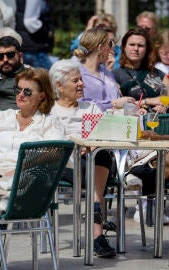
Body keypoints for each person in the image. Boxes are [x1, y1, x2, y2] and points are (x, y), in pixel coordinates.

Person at [0, 68, 66, 269]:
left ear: (42, 95)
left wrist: (22, 168)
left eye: (27, 92)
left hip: (27, 180)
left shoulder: (50, 123)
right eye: (17, 90)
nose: (20, 95)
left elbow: (56, 151)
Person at [49, 59, 116, 258]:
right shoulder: (49, 110)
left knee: (101, 153)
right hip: (63, 164)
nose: (81, 84)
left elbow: (101, 133)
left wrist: (93, 143)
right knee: (93, 162)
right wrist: (75, 145)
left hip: (91, 161)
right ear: (59, 86)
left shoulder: (90, 108)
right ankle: (97, 234)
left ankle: (96, 227)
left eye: (81, 79)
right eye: (75, 81)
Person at [73, 28, 134, 112]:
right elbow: (79, 104)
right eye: (109, 44)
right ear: (100, 47)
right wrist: (113, 103)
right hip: (90, 123)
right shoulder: (76, 73)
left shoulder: (108, 73)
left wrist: (133, 108)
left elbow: (119, 103)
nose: (112, 47)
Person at [112, 27, 167, 112]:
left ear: (147, 50)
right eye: (132, 45)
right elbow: (116, 105)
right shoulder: (115, 75)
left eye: (140, 45)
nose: (136, 49)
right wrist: (151, 101)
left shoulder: (159, 74)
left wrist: (164, 107)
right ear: (124, 47)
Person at [15, 0, 54, 70]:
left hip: (29, 46)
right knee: (49, 78)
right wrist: (47, 32)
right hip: (33, 48)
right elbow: (30, 22)